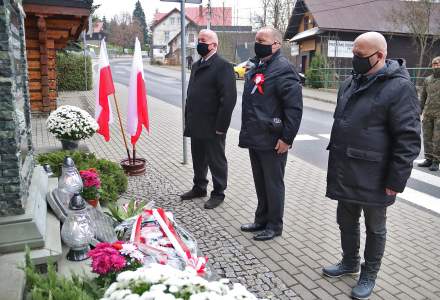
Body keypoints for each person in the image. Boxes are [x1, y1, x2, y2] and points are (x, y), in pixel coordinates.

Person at [323, 32, 421, 300]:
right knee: (345, 220)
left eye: (361, 56)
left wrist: (395, 180)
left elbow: (409, 139)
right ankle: (349, 261)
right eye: (353, 54)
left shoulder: (399, 88)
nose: (355, 60)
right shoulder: (350, 82)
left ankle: (369, 273)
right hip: (346, 168)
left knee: (375, 228)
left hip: (376, 176)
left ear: (380, 56)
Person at [238, 27, 303, 241]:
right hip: (256, 136)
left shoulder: (284, 69)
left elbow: (294, 108)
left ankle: (274, 225)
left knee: (273, 184)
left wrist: (287, 138)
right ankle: (261, 219)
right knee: (261, 182)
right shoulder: (258, 66)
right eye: (256, 39)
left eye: (262, 40)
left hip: (274, 139)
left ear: (276, 44)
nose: (258, 43)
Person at [181, 29, 237, 209]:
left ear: (214, 44)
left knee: (216, 161)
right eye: (198, 40)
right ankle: (199, 187)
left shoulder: (223, 66)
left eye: (203, 40)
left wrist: (222, 126)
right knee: (198, 158)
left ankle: (218, 192)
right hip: (196, 123)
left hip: (214, 126)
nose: (199, 43)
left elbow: (228, 100)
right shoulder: (197, 65)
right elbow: (192, 94)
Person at [418, 56, 440, 171]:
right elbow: (423, 97)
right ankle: (428, 158)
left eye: (438, 64)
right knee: (427, 137)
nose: (436, 66)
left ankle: (436, 160)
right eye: (434, 64)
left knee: (437, 139)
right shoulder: (427, 80)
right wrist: (419, 110)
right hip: (428, 113)